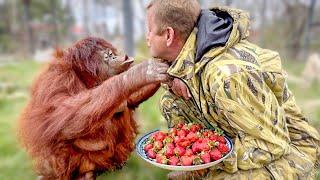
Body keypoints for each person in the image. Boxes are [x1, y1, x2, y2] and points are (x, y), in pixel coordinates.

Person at [145, 0, 320, 179]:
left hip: (290, 150)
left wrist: (208, 161)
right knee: (170, 102)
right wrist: (174, 74)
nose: (147, 37)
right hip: (240, 139)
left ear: (168, 35)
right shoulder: (186, 61)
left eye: (150, 30)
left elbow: (269, 145)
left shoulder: (226, 76)